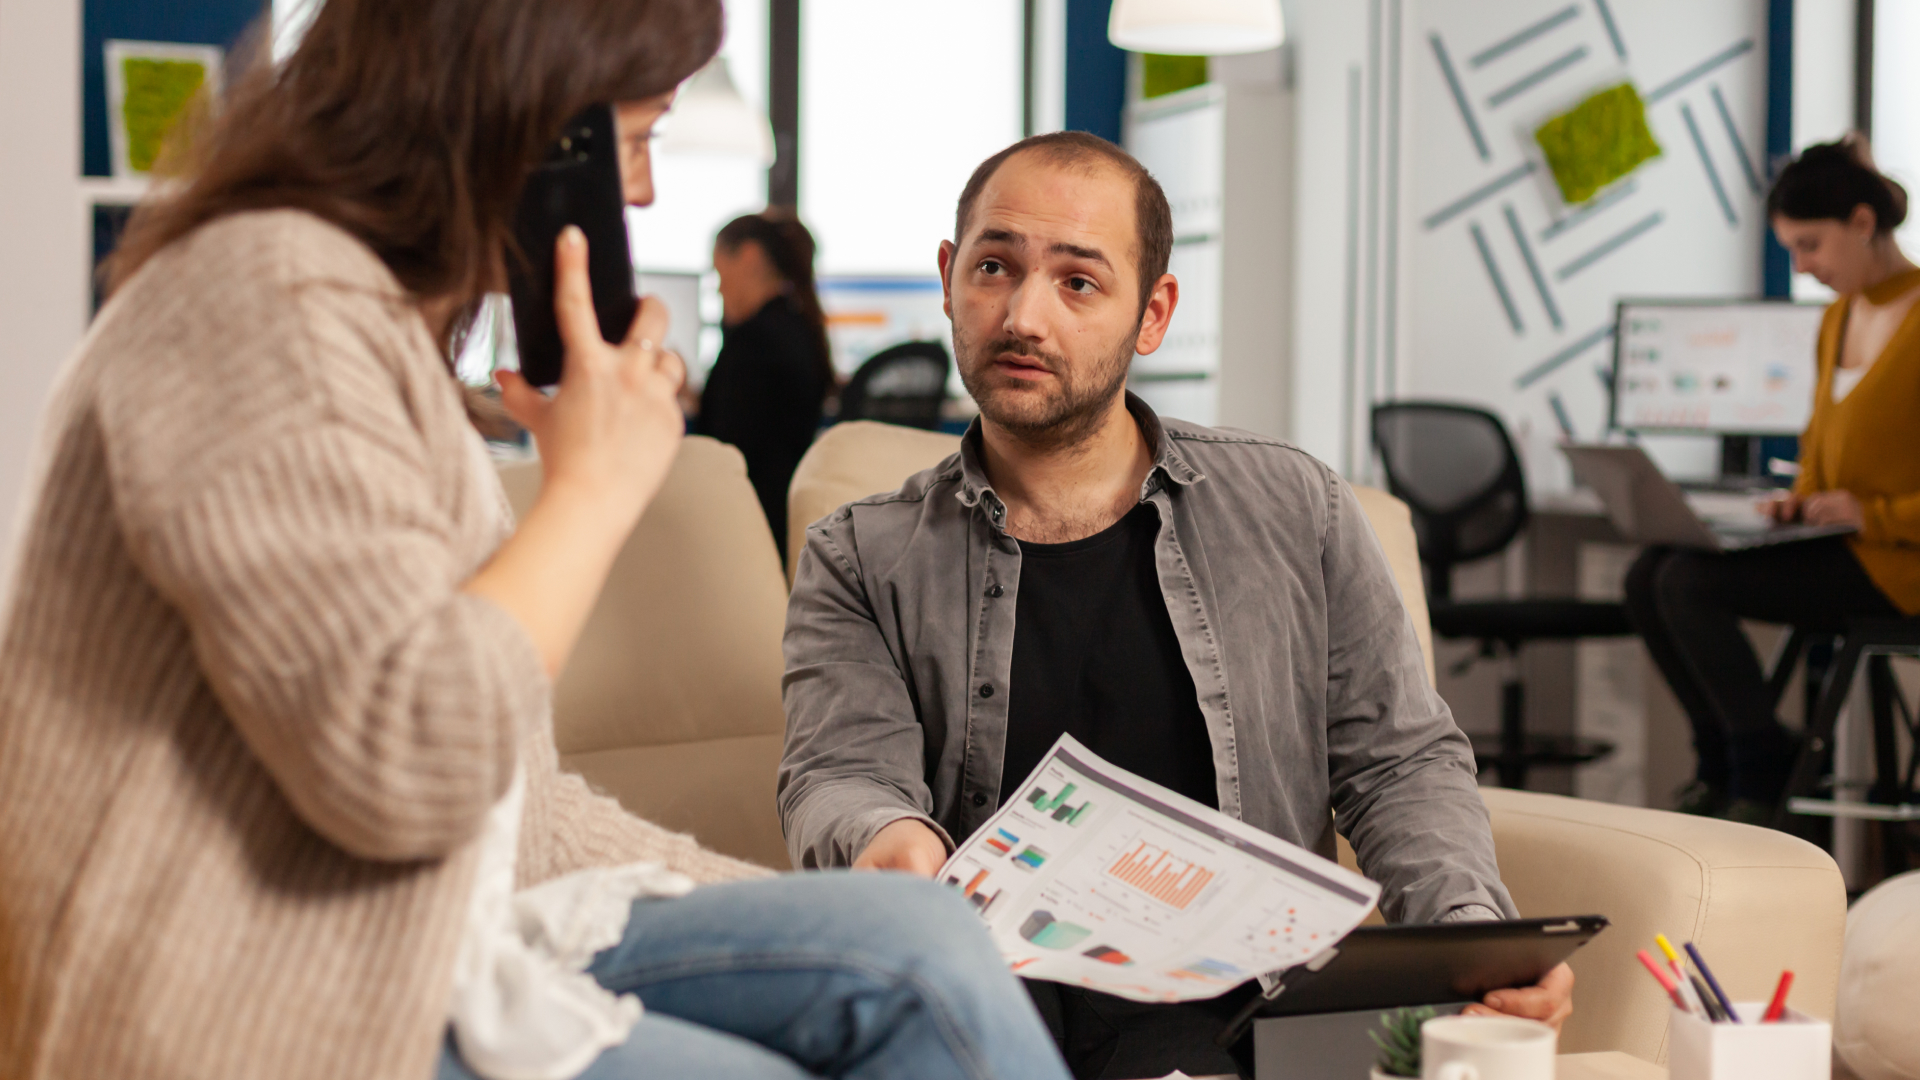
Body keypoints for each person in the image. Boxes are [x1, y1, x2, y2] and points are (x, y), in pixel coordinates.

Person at [0, 4, 1071, 1080]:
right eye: (640, 139)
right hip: (243, 993)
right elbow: (405, 770)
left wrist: (802, 904)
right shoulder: (258, 303)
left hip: (420, 934)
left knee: (927, 944)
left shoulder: (369, 326)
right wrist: (592, 491)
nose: (644, 194)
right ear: (530, 121)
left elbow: (512, 814)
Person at [777, 131, 1572, 1080]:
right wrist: (888, 840)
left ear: (1152, 314)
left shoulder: (1296, 506)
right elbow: (838, 774)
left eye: (1079, 282)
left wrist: (1469, 942)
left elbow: (1398, 762)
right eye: (994, 267)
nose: (1023, 315)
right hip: (992, 1023)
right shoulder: (859, 554)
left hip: (1248, 1024)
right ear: (950, 279)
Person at [1624, 136, 1920, 823]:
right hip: (1846, 545)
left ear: (1863, 223)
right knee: (1647, 576)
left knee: (1687, 583)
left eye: (1811, 246)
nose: (1803, 266)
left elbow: (1871, 491)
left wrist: (1873, 513)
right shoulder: (1837, 318)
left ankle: (1756, 764)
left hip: (1898, 562)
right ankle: (1730, 755)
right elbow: (1821, 446)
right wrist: (1800, 499)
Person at [690, 211, 834, 559]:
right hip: (777, 517)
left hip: (748, 525)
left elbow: (721, 448)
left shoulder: (755, 341)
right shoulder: (794, 327)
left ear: (750, 257)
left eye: (720, 272)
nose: (719, 287)